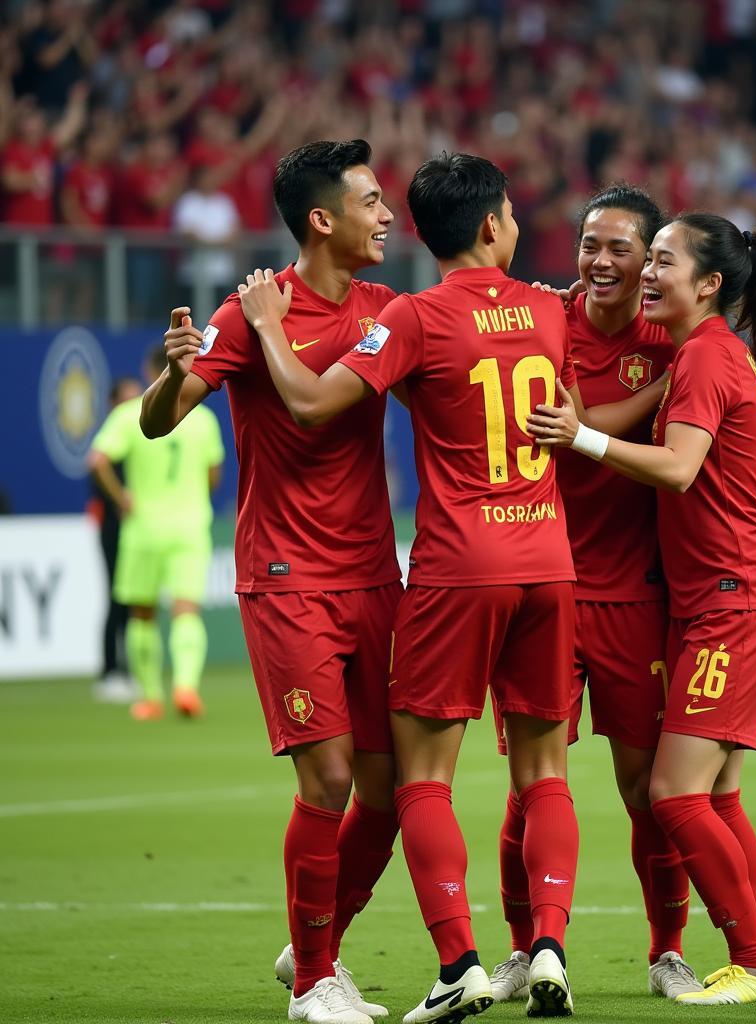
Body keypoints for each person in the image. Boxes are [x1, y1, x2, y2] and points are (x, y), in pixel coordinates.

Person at [226, 153, 665, 1024]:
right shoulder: (548, 307)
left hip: (457, 568)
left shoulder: (411, 319)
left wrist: (268, 326)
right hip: (550, 563)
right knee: (546, 776)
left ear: (427, 231)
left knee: (421, 782)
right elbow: (580, 400)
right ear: (496, 225)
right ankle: (545, 945)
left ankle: (460, 961)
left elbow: (312, 405)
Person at [139, 139, 403, 1024]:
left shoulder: (381, 307)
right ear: (322, 218)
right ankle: (321, 982)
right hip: (287, 576)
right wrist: (176, 367)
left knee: (394, 791)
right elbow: (157, 422)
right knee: (327, 782)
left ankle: (312, 946)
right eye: (371, 201)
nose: (387, 215)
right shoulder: (252, 309)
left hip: (375, 575)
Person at [527, 212, 756, 1005]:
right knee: (713, 797)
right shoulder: (703, 353)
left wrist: (583, 444)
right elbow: (620, 424)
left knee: (672, 795)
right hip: (722, 598)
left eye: (663, 261)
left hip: (733, 601)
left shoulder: (708, 358)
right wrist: (575, 425)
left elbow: (679, 469)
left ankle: (755, 964)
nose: (647, 272)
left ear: (709, 284)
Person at [488, 184, 702, 1004]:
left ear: (650, 260)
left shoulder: (672, 336)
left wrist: (658, 379)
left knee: (646, 790)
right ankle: (525, 950)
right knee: (531, 787)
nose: (601, 261)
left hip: (633, 594)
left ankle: (667, 952)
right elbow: (559, 427)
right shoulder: (543, 322)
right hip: (541, 583)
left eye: (622, 248)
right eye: (589, 245)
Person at [88, 347, 224, 720]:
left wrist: (122, 498)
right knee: (186, 611)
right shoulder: (204, 420)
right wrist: (194, 498)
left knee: (142, 614)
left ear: (152, 371)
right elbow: (214, 475)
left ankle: (149, 697)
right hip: (190, 527)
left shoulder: (129, 414)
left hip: (143, 528)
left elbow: (97, 459)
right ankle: (186, 686)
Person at [89, 375, 143, 704]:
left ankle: (126, 670)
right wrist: (121, 499)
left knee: (133, 600)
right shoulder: (113, 434)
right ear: (113, 404)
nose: (134, 406)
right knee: (116, 596)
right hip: (114, 528)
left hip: (137, 529)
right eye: (128, 399)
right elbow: (96, 467)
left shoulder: (137, 433)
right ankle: (110, 671)